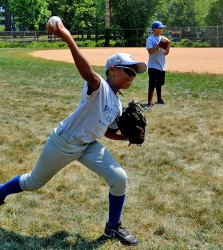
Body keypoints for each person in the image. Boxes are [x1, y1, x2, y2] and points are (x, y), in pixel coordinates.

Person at [0, 18, 147, 246]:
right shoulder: (99, 87)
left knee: (119, 178)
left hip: (88, 146)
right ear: (112, 70)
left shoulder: (117, 104)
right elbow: (87, 73)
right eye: (129, 70)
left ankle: (113, 227)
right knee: (33, 182)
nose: (132, 76)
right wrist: (67, 37)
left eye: (135, 73)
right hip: (64, 142)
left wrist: (128, 137)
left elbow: (107, 132)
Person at [145, 21, 170, 109]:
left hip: (162, 65)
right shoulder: (150, 39)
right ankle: (149, 102)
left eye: (162, 28)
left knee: (159, 84)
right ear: (154, 29)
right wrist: (158, 46)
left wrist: (168, 48)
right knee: (152, 84)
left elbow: (166, 53)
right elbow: (150, 52)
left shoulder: (164, 39)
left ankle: (159, 99)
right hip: (153, 65)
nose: (162, 29)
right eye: (160, 28)